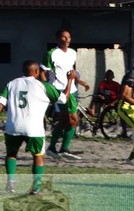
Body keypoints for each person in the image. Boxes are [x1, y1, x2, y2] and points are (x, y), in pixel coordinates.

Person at [1, 60, 74, 194]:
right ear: (36, 71)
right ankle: (36, 187)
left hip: (13, 126)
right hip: (33, 128)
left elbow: (0, 104)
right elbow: (64, 98)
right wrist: (70, 80)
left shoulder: (12, 83)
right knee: (38, 156)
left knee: (11, 154)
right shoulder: (43, 85)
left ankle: (10, 182)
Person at [41, 28, 82, 160]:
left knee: (67, 120)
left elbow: (72, 70)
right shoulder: (51, 53)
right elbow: (43, 71)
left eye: (68, 37)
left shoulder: (72, 53)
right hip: (58, 89)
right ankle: (62, 148)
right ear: (58, 38)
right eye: (64, 37)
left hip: (72, 88)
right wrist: (44, 86)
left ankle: (54, 148)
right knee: (73, 119)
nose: (67, 39)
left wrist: (80, 81)